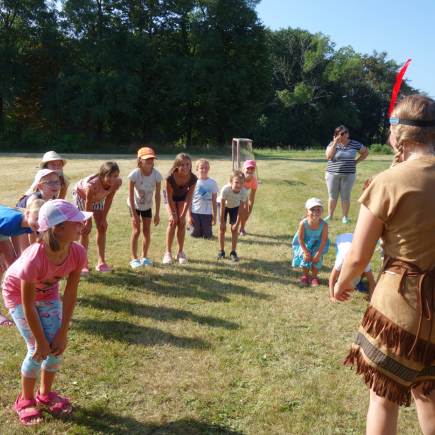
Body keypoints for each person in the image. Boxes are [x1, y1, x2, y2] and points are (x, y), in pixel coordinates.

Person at [334, 95, 435, 434]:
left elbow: (359, 257)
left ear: (399, 136)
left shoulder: (388, 181)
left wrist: (341, 284)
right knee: (430, 394)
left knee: (383, 398)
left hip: (400, 309)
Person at [2, 200, 91, 426]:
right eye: (75, 222)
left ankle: (45, 393)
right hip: (18, 295)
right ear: (58, 228)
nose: (82, 223)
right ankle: (26, 399)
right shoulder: (34, 257)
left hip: (48, 292)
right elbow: (27, 302)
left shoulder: (78, 252)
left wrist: (62, 332)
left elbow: (70, 295)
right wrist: (40, 340)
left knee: (56, 347)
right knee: (37, 349)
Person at [72, 161, 122, 274]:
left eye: (115, 176)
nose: (113, 179)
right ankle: (83, 263)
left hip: (98, 198)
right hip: (82, 197)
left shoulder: (116, 183)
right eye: (109, 175)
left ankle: (101, 262)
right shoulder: (93, 183)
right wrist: (88, 222)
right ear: (102, 174)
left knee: (101, 227)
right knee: (85, 229)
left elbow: (109, 199)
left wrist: (104, 219)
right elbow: (88, 203)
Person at [0, 201, 44, 327]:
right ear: (28, 213)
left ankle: (14, 304)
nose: (39, 224)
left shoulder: (30, 224)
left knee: (15, 267)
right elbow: (11, 227)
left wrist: (18, 255)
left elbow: (16, 232)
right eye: (37, 219)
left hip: (2, 231)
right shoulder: (11, 221)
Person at [325, 125, 369, 223]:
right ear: (336, 136)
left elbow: (365, 152)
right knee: (333, 195)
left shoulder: (354, 143)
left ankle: (345, 217)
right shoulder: (332, 144)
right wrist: (335, 143)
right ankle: (330, 216)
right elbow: (329, 156)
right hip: (332, 174)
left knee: (346, 196)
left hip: (349, 175)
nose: (345, 134)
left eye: (346, 132)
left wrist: (356, 162)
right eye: (342, 133)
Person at [127, 147, 162, 269]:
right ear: (140, 160)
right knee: (136, 230)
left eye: (152, 158)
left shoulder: (157, 175)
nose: (149, 161)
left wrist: (157, 213)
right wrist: (134, 215)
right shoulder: (135, 174)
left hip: (147, 205)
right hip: (135, 205)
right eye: (146, 159)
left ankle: (144, 257)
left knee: (146, 231)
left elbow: (157, 195)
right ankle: (134, 258)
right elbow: (130, 195)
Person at [14, 169, 62, 253]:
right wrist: (34, 248)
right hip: (21, 225)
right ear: (39, 186)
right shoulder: (33, 200)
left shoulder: (55, 201)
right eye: (51, 182)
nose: (55, 185)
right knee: (27, 253)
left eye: (57, 182)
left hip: (34, 225)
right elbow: (30, 227)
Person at [162, 153, 197, 264]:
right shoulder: (170, 177)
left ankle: (180, 253)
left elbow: (189, 197)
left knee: (181, 222)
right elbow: (168, 196)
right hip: (170, 196)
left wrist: (183, 216)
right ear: (177, 165)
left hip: (183, 196)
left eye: (188, 164)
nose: (185, 167)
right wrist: (173, 213)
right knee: (173, 221)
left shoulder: (193, 178)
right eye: (182, 164)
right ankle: (168, 253)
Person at [292, 198, 329, 286]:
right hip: (305, 243)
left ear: (322, 211)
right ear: (307, 211)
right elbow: (300, 239)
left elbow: (323, 241)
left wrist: (317, 255)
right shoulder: (303, 223)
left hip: (318, 243)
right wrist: (306, 252)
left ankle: (314, 277)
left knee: (316, 257)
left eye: (318, 209)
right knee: (306, 256)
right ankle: (305, 276)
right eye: (312, 209)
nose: (315, 212)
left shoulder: (324, 224)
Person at [329, 233, 375, 303]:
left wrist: (370, 299)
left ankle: (359, 281)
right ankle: (340, 281)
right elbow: (332, 277)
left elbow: (371, 280)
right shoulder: (342, 257)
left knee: (364, 270)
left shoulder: (364, 259)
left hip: (354, 239)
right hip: (341, 240)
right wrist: (333, 297)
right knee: (339, 270)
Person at [216, 170, 248, 262]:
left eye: (241, 182)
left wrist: (237, 224)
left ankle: (233, 252)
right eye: (236, 182)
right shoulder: (225, 189)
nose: (239, 185)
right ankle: (221, 251)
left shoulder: (244, 192)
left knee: (234, 230)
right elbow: (222, 207)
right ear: (230, 182)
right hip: (224, 206)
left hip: (235, 207)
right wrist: (222, 222)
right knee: (222, 229)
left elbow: (241, 209)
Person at [187, 158, 218, 238]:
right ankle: (190, 226)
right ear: (197, 169)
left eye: (206, 167)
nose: (204, 169)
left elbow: (215, 201)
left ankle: (202, 227)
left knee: (207, 235)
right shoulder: (192, 181)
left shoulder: (213, 183)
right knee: (194, 235)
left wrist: (214, 216)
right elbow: (188, 200)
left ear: (209, 168)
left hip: (207, 213)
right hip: (195, 212)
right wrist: (189, 216)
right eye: (201, 168)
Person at [239, 160, 258, 236]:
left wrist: (249, 211)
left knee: (245, 208)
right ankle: (234, 226)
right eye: (248, 168)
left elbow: (251, 197)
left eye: (252, 168)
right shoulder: (239, 177)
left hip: (243, 195)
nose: (250, 170)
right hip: (233, 194)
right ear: (243, 169)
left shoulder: (254, 181)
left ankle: (242, 228)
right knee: (235, 210)